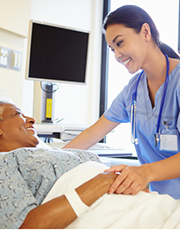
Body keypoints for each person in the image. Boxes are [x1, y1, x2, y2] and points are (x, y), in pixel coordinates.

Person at [0, 101, 180, 229]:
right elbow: (26, 227)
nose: (31, 120)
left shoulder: (56, 153)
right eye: (18, 114)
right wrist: (102, 182)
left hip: (159, 208)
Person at [63, 5, 180, 200]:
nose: (117, 55)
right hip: (160, 201)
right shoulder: (133, 90)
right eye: (112, 49)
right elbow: (94, 132)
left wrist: (144, 172)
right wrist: (53, 158)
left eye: (120, 43)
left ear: (145, 32)